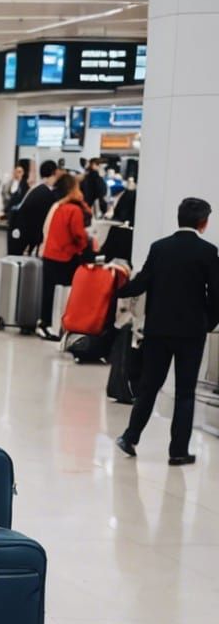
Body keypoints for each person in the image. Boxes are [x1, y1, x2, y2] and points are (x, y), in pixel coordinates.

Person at [115, 198, 219, 465]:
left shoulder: (159, 248)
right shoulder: (208, 252)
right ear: (203, 223)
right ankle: (178, 452)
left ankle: (130, 436)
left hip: (158, 330)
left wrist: (117, 287)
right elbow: (216, 295)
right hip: (191, 332)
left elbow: (140, 284)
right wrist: (208, 323)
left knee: (149, 386)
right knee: (185, 392)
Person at [37, 177, 90, 338]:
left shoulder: (58, 207)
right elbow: (78, 235)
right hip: (65, 256)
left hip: (50, 253)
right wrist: (84, 248)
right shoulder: (74, 210)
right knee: (66, 292)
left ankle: (45, 323)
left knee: (49, 292)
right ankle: (60, 324)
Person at [12, 160, 57, 256]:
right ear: (54, 173)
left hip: (22, 233)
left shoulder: (37, 189)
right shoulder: (46, 192)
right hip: (30, 236)